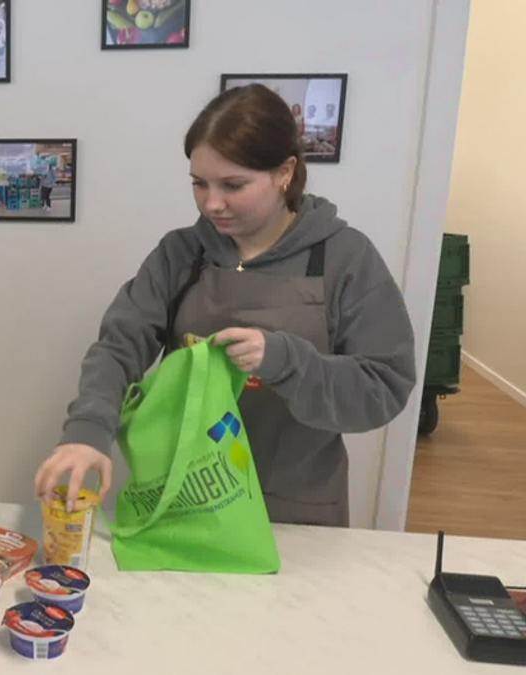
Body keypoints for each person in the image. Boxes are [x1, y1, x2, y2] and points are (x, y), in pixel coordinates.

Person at [34, 84, 415, 526]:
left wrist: (287, 361)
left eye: (233, 185)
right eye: (200, 184)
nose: (212, 203)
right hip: (187, 501)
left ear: (285, 172)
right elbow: (119, 347)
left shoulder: (345, 258)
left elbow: (384, 386)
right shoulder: (180, 254)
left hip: (295, 514)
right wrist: (87, 432)